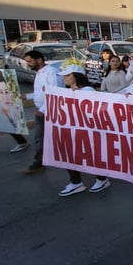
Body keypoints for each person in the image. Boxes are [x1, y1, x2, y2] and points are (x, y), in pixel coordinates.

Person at [56, 64, 112, 196]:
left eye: (67, 75)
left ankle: (102, 179)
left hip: (88, 131)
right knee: (69, 155)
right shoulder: (66, 91)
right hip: (71, 130)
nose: (64, 78)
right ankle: (76, 183)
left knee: (92, 155)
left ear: (76, 76)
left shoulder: (88, 90)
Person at [21, 50, 64, 173]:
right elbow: (41, 92)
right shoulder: (39, 73)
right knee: (40, 138)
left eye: (30, 61)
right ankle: (39, 162)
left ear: (39, 60)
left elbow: (55, 92)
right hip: (41, 110)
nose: (28, 64)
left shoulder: (51, 72)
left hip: (50, 111)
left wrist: (44, 109)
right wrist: (28, 96)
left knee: (52, 137)